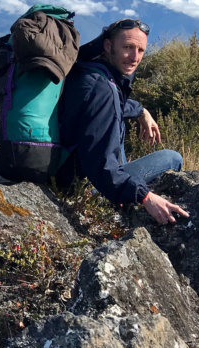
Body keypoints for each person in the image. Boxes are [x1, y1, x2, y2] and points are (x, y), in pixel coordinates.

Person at [58, 18, 188, 225]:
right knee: (172, 158)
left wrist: (141, 111)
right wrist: (144, 196)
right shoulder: (102, 89)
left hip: (63, 171)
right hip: (86, 187)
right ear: (108, 46)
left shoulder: (87, 72)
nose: (135, 57)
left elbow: (112, 107)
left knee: (119, 131)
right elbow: (101, 167)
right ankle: (123, 204)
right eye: (128, 47)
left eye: (141, 50)